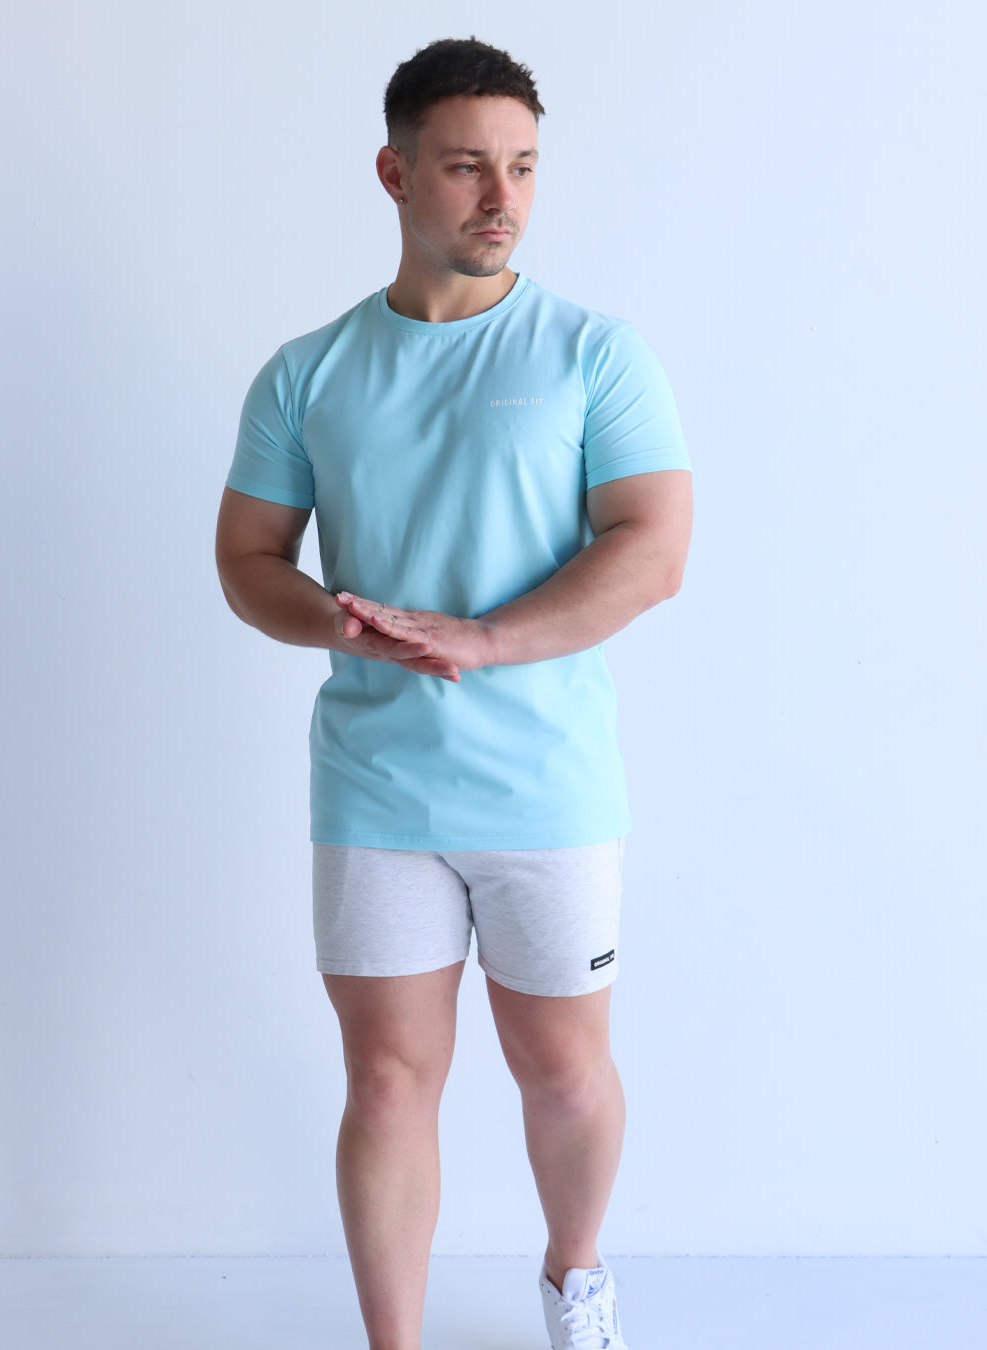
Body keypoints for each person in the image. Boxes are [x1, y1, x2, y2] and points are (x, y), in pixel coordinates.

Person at [215, 34, 693, 1350]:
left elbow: (654, 553)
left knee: (564, 1070)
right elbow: (248, 563)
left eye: (524, 167)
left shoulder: (595, 352)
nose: (503, 197)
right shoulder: (307, 371)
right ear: (395, 172)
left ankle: (576, 1275)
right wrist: (344, 625)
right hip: (377, 787)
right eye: (469, 166)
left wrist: (479, 641)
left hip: (547, 783)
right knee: (384, 1081)